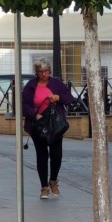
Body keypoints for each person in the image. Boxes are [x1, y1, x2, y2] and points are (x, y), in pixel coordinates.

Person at [22, 58, 74, 199]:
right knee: (42, 155)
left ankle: (53, 180)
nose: (43, 74)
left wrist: (58, 98)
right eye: (40, 71)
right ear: (36, 72)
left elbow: (70, 98)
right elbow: (24, 104)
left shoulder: (57, 84)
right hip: (38, 125)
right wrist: (34, 115)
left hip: (55, 124)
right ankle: (44, 187)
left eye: (46, 71)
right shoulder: (31, 86)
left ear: (50, 71)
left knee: (56, 154)